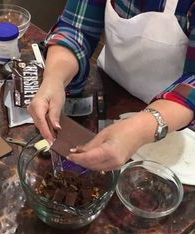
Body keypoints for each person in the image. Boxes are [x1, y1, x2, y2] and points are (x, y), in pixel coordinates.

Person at [28, 0, 195, 171]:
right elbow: (76, 27)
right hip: (111, 89)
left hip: (175, 116)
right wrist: (54, 78)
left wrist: (139, 129)